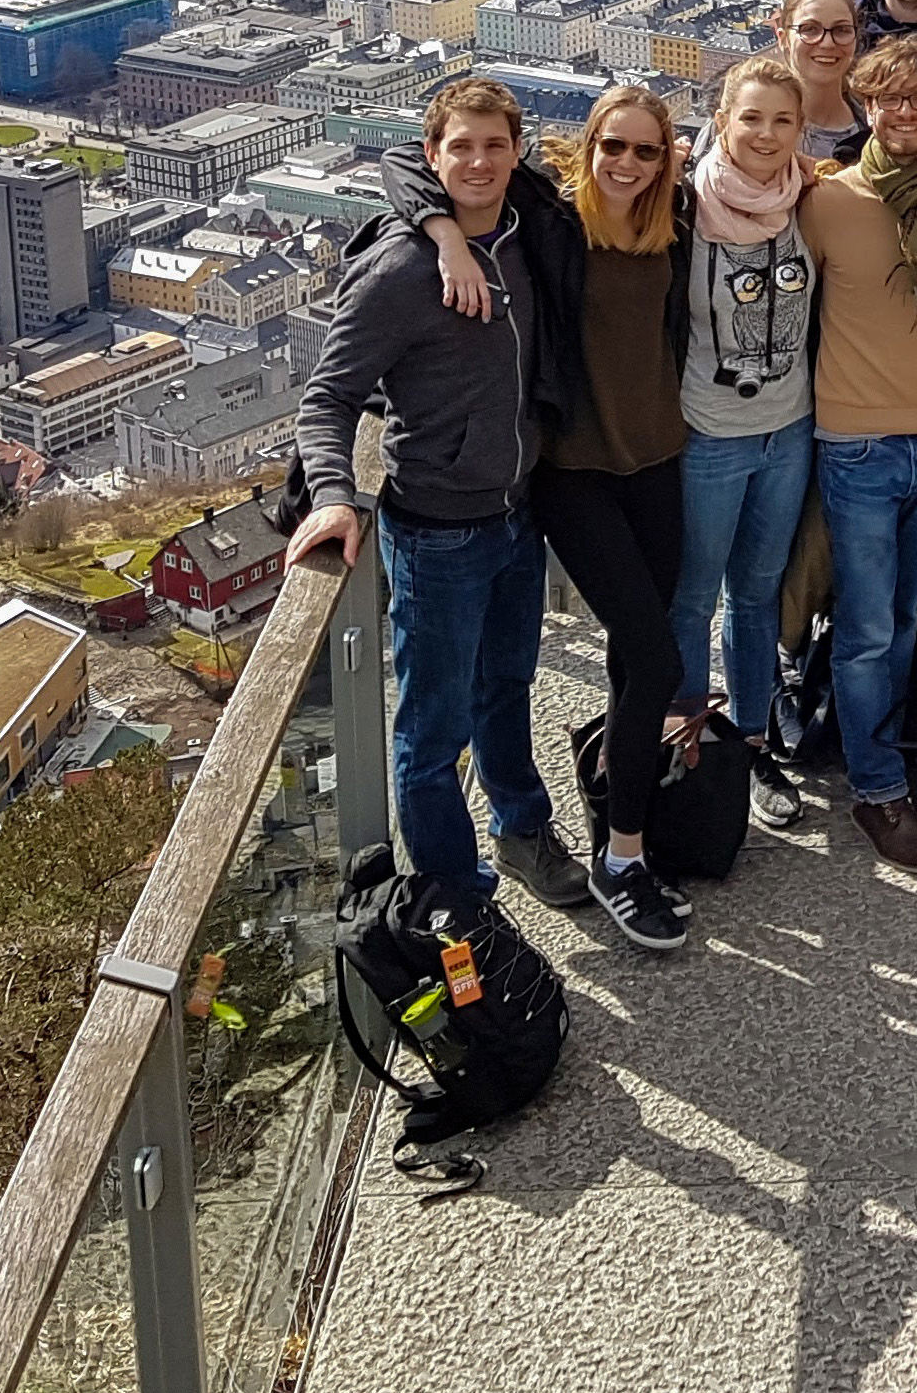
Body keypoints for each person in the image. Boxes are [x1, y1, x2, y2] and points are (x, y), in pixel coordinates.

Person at [377, 82, 701, 951]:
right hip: (574, 473)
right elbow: (419, 163)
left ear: (669, 157)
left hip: (660, 462)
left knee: (637, 665)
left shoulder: (681, 217)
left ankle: (612, 803)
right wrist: (442, 232)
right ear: (586, 148)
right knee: (658, 655)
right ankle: (623, 861)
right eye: (614, 147)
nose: (628, 163)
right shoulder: (550, 220)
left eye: (647, 150)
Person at [287, 77, 591, 931]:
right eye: (461, 146)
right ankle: (456, 897)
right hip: (434, 533)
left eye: (496, 145)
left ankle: (523, 832)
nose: (480, 162)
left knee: (509, 685)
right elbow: (326, 398)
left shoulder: (531, 233)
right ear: (433, 157)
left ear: (518, 150)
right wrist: (336, 496)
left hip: (517, 512)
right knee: (430, 730)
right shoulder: (398, 270)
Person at [801, 31, 917, 873]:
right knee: (868, 627)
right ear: (865, 108)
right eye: (888, 100)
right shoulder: (826, 201)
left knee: (908, 613)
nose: (905, 113)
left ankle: (888, 748)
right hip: (857, 440)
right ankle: (875, 786)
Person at [675, 52, 817, 838]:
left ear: (802, 130)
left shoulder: (809, 198)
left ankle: (753, 743)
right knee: (694, 599)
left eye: (783, 120)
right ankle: (692, 742)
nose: (765, 133)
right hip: (710, 433)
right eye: (751, 116)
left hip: (789, 428)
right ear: (721, 120)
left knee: (758, 594)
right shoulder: (679, 207)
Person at [775, 0, 869, 163]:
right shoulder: (748, 122)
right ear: (784, 39)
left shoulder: (878, 126)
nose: (827, 43)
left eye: (841, 30)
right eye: (809, 29)